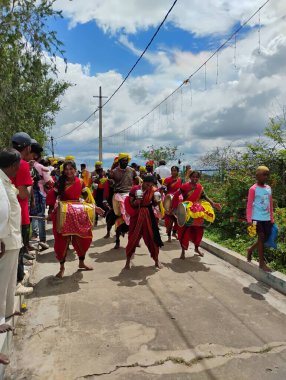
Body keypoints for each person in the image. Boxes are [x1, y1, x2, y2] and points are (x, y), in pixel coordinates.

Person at [46, 160, 104, 278]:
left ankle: (81, 263)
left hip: (78, 213)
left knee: (84, 238)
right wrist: (51, 210)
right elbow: (52, 196)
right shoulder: (60, 183)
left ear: (75, 169)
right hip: (63, 213)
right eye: (66, 169)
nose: (68, 172)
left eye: (71, 169)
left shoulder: (81, 182)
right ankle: (62, 268)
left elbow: (87, 197)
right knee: (61, 242)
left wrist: (95, 207)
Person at [0, 149, 23, 365]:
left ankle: (6, 312)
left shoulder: (5, 180)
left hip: (12, 237)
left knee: (8, 280)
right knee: (0, 281)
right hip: (3, 238)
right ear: (13, 164)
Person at [174, 171, 221, 259]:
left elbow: (205, 197)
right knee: (184, 231)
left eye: (197, 177)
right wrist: (175, 208)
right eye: (193, 177)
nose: (195, 179)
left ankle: (196, 248)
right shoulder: (185, 186)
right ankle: (183, 251)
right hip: (186, 209)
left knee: (199, 231)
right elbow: (176, 195)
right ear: (190, 177)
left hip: (197, 210)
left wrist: (213, 204)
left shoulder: (200, 187)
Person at [11, 132, 34, 295]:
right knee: (17, 248)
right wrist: (30, 185)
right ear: (28, 148)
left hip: (7, 210)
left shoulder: (6, 160)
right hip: (19, 211)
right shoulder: (23, 164)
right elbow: (23, 194)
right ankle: (18, 282)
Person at [124, 175, 163, 269]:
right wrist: (137, 201)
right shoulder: (135, 189)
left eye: (151, 185)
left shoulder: (154, 190)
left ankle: (156, 260)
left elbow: (154, 204)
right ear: (143, 182)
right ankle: (128, 261)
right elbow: (131, 203)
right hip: (137, 215)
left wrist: (157, 201)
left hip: (148, 215)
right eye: (147, 184)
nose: (149, 187)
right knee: (133, 238)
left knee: (153, 237)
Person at [246, 166, 274, 272]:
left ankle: (250, 249)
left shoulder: (268, 188)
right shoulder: (253, 189)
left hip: (266, 218)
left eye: (267, 174)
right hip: (256, 218)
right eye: (263, 174)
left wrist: (272, 218)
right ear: (257, 176)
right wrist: (249, 220)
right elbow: (249, 205)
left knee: (264, 238)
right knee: (261, 237)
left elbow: (270, 204)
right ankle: (262, 263)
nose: (265, 177)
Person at [107, 153, 137, 249]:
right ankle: (117, 240)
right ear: (119, 161)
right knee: (115, 215)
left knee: (137, 213)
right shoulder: (114, 172)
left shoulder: (132, 170)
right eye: (123, 160)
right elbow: (110, 182)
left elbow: (136, 180)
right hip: (119, 195)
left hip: (130, 194)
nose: (125, 162)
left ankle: (135, 238)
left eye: (126, 160)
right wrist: (111, 182)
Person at [30, 141, 52, 250]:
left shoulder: (22, 164)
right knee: (40, 217)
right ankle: (42, 240)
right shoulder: (41, 167)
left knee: (30, 217)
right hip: (39, 194)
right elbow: (49, 182)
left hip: (26, 194)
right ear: (37, 155)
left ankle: (33, 236)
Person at [163, 166, 182, 242]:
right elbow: (163, 188)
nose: (173, 172)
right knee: (170, 219)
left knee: (178, 218)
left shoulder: (180, 180)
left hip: (178, 200)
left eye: (175, 170)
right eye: (172, 170)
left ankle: (174, 232)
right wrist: (167, 196)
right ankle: (169, 236)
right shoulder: (167, 179)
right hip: (169, 200)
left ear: (177, 171)